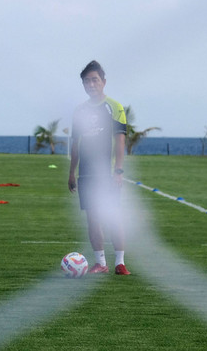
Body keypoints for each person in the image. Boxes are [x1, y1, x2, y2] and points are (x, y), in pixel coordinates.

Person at [68, 60, 131, 275]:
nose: (91, 84)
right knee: (93, 218)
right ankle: (100, 263)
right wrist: (71, 173)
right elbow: (75, 143)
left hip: (108, 172)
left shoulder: (114, 106)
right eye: (87, 81)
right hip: (86, 173)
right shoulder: (80, 110)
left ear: (103, 82)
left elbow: (120, 140)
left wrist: (119, 170)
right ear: (83, 85)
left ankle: (120, 263)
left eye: (95, 79)